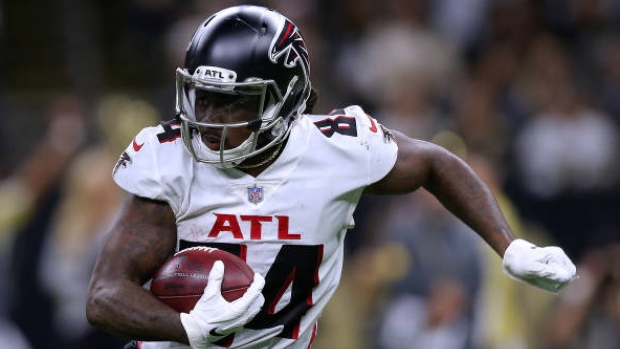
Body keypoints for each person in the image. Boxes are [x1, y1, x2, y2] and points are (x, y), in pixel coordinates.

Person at [85, 5, 577, 349]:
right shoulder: (172, 159)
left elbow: (434, 161)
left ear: (285, 99)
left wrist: (510, 247)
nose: (209, 117)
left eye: (234, 101)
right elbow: (105, 295)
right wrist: (186, 328)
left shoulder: (338, 149)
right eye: (201, 97)